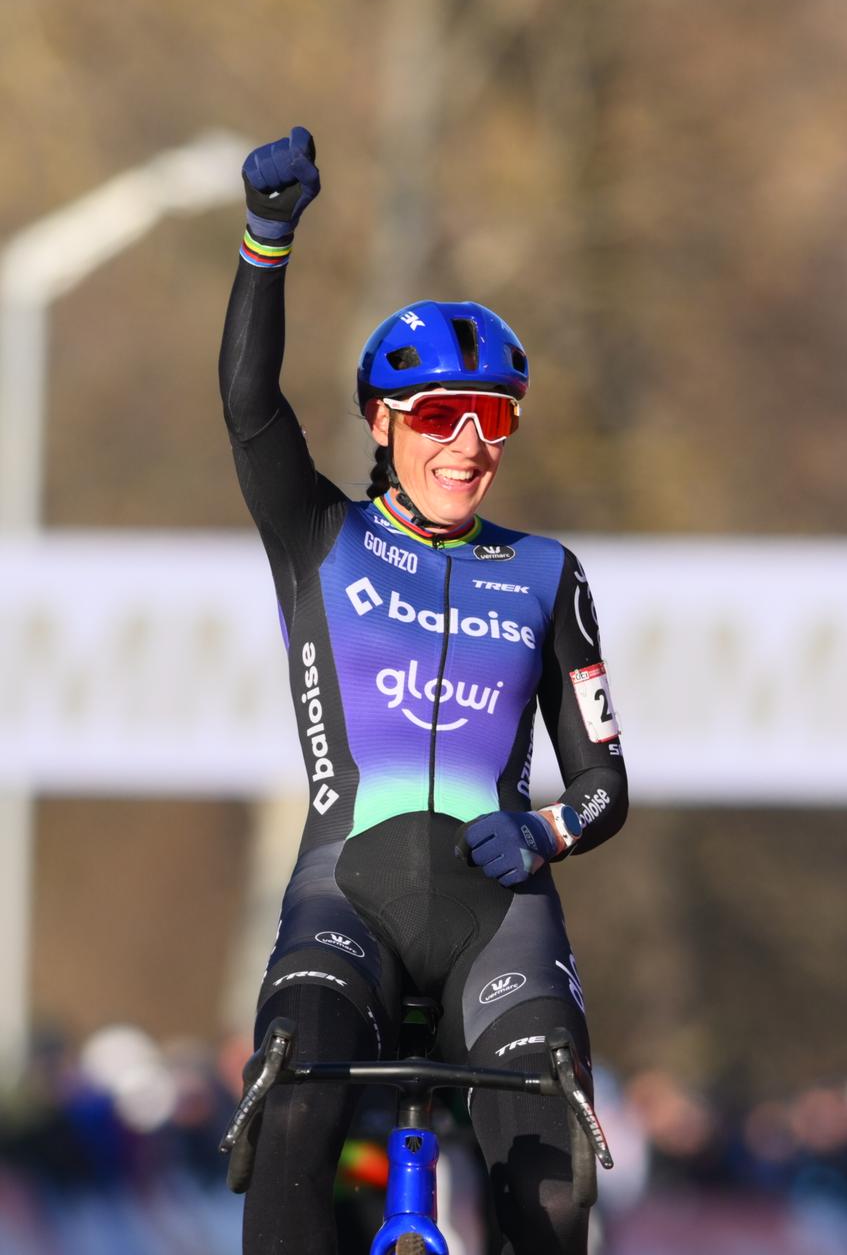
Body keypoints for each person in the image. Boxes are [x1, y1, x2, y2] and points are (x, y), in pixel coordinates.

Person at [218, 126, 629, 1253]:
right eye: (443, 414)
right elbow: (251, 407)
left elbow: (603, 784)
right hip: (344, 893)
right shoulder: (319, 536)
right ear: (381, 423)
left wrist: (543, 830)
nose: (470, 442)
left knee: (554, 1187)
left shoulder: (547, 573)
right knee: (291, 1111)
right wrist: (266, 240)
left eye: (494, 417)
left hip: (499, 911)